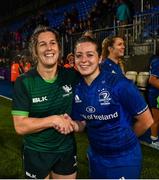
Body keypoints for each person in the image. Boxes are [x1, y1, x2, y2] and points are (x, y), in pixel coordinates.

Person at [69, 36, 153, 179]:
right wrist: (70, 124)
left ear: (99, 57)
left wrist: (124, 141)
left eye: (90, 55)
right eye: (79, 55)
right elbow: (82, 123)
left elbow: (146, 121)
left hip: (124, 159)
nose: (84, 60)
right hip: (96, 157)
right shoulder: (77, 88)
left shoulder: (120, 84)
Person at [11, 25, 79, 179]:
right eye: (42, 44)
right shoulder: (24, 82)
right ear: (35, 51)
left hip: (66, 149)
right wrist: (53, 120)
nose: (49, 48)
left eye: (53, 43)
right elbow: (20, 126)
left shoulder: (71, 76)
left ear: (59, 48)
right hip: (36, 152)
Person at [148, 47, 159, 148]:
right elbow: (152, 80)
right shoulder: (157, 61)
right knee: (156, 119)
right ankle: (154, 140)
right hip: (156, 94)